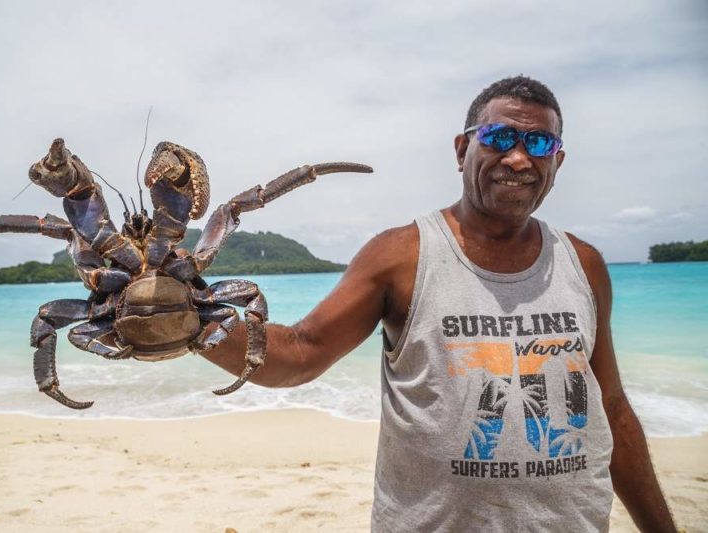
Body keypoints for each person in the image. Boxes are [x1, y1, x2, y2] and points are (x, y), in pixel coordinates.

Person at [200, 76, 676, 532]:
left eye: (538, 144)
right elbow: (300, 354)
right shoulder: (402, 256)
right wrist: (194, 323)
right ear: (462, 149)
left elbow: (610, 407)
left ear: (557, 161)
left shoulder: (583, 263)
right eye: (499, 137)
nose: (517, 158)